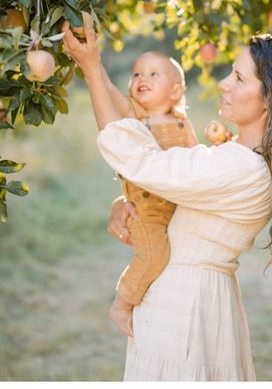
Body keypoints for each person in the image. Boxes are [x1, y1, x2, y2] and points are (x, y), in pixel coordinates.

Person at [61, 19, 272, 382]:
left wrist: (92, 68)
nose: (224, 83)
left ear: (269, 96)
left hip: (184, 305)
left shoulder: (241, 166)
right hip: (195, 297)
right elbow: (176, 188)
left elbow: (146, 164)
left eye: (239, 79)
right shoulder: (239, 157)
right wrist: (123, 200)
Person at [97, 47, 200, 336]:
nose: (143, 78)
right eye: (137, 74)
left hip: (176, 206)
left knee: (174, 260)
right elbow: (105, 90)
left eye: (154, 74)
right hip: (146, 209)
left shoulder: (182, 123)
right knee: (154, 256)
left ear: (175, 90)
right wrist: (96, 66)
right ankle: (122, 303)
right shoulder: (134, 116)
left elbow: (197, 159)